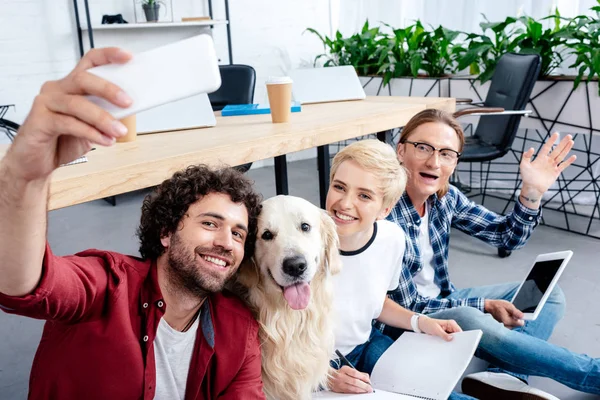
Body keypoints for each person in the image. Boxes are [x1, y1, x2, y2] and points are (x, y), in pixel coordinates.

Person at [0, 47, 265, 399]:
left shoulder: (239, 329)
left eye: (237, 233)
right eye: (210, 223)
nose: (227, 242)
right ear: (167, 231)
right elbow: (24, 285)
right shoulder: (104, 287)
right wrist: (25, 179)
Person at [385, 108, 600, 398]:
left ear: (455, 161)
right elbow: (410, 305)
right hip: (405, 321)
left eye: (447, 153)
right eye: (423, 148)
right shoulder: (385, 211)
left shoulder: (444, 197)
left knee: (550, 294)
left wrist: (531, 192)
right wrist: (483, 305)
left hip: (444, 298)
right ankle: (594, 374)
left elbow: (506, 236)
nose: (434, 162)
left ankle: (504, 377)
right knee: (470, 316)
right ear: (401, 150)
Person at [324, 140, 473, 400]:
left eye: (364, 195)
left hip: (364, 345)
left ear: (385, 209)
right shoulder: (300, 248)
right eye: (339, 187)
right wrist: (321, 375)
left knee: (437, 394)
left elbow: (374, 301)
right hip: (314, 365)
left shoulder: (392, 238)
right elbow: (268, 334)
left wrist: (419, 321)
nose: (345, 204)